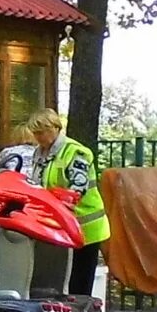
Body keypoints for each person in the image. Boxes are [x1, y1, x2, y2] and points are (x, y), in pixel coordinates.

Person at [23, 109, 111, 295]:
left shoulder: (76, 152)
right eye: (35, 133)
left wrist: (62, 200)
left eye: (41, 132)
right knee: (62, 275)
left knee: (80, 277)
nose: (38, 137)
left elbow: (78, 187)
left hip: (85, 225)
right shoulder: (39, 153)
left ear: (55, 128)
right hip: (59, 224)